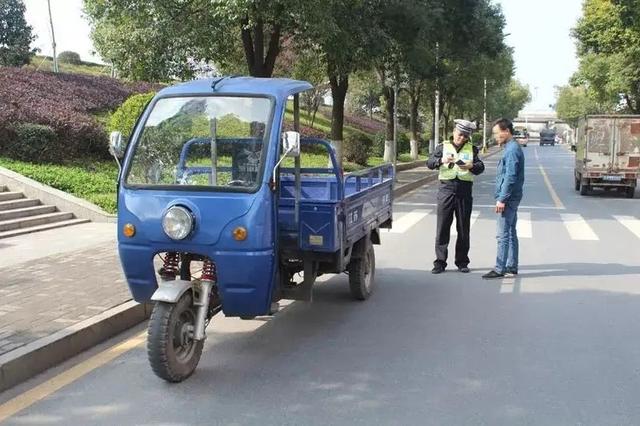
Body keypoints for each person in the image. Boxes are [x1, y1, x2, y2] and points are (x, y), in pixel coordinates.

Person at [427, 119, 485, 274]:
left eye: (465, 136)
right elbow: (430, 162)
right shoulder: (442, 147)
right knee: (442, 227)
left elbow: (480, 167)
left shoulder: (472, 149)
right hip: (446, 190)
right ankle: (440, 262)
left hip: (464, 192)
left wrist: (471, 166)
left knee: (463, 228)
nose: (462, 138)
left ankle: (462, 262)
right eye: (460, 134)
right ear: (454, 132)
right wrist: (441, 160)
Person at [483, 118, 525, 279]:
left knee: (503, 234)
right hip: (513, 196)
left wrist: (502, 199)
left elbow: (510, 177)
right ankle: (512, 266)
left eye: (496, 133)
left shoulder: (512, 149)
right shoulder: (511, 147)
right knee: (511, 232)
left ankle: (500, 268)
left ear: (506, 131)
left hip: (509, 198)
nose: (495, 137)